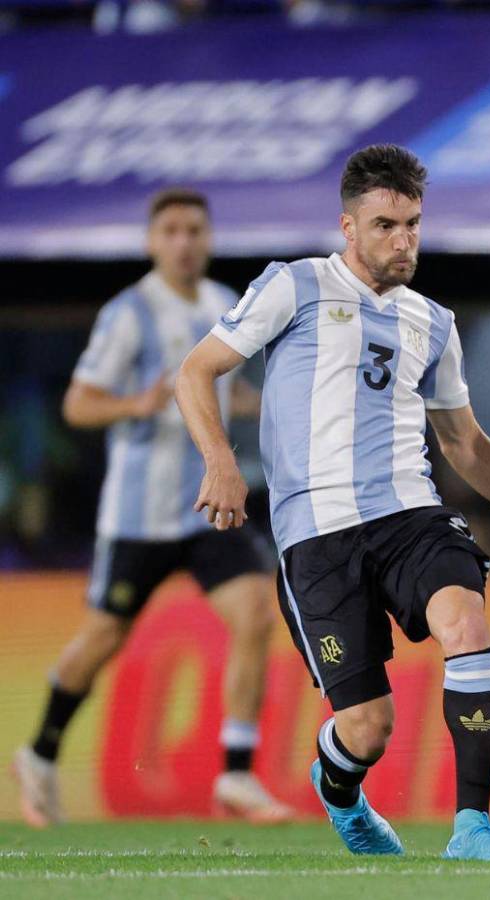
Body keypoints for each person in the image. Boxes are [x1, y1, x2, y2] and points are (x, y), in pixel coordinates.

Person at [174, 144, 490, 860]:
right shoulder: (295, 286)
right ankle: (339, 788)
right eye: (385, 225)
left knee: (466, 625)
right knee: (367, 729)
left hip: (412, 515)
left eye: (412, 224)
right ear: (347, 226)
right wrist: (221, 462)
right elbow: (197, 371)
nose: (403, 240)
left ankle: (472, 828)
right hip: (316, 535)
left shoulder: (432, 323)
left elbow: (466, 446)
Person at [13, 189, 289, 827]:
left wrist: (261, 408)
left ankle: (237, 775)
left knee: (253, 614)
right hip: (138, 516)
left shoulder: (226, 305)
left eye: (194, 229)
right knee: (101, 639)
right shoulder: (128, 313)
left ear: (209, 237)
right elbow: (78, 404)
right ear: (151, 242)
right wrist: (133, 405)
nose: (184, 241)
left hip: (209, 507)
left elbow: (235, 393)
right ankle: (41, 751)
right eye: (170, 230)